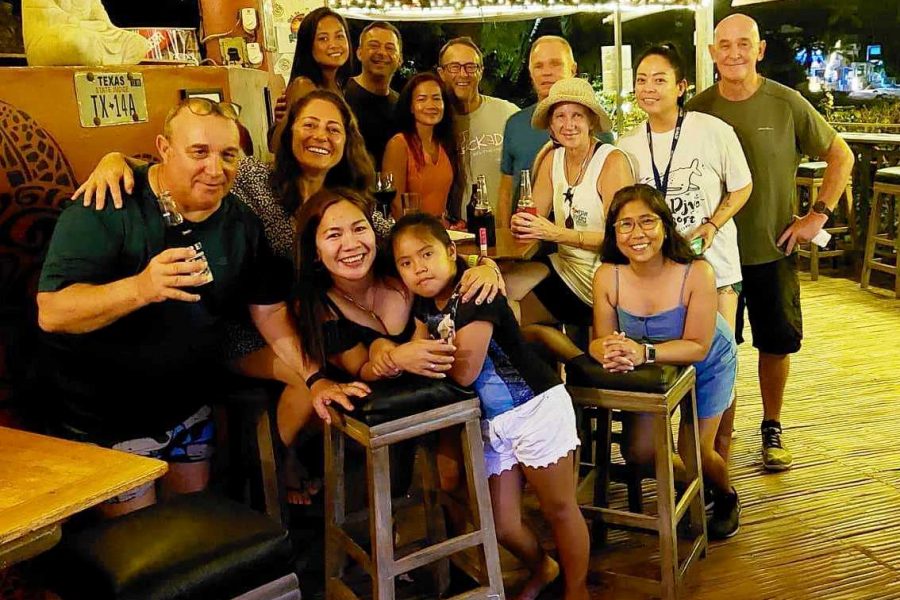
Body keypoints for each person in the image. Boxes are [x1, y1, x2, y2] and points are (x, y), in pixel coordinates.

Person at [71, 90, 380, 504]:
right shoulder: (255, 178)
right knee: (319, 365)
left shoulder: (349, 197)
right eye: (309, 124)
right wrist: (117, 159)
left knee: (354, 360)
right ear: (288, 132)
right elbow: (188, 162)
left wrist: (463, 265)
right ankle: (275, 472)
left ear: (347, 140)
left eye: (333, 128)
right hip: (238, 325)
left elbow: (397, 238)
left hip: (292, 318)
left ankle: (343, 476)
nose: (320, 136)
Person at [35, 98, 301, 518]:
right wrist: (141, 288)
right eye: (199, 152)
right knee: (144, 536)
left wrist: (313, 375)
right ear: (164, 148)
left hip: (187, 410)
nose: (215, 169)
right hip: (110, 419)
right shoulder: (107, 203)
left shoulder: (240, 223)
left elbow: (268, 311)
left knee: (190, 524)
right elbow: (52, 311)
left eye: (228, 155)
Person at [390, 212, 588, 600]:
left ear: (451, 252)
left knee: (559, 508)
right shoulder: (425, 304)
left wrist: (421, 358)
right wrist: (411, 356)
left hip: (535, 407)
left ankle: (577, 591)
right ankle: (544, 569)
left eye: (427, 254)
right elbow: (419, 352)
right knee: (502, 524)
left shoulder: (476, 292)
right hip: (491, 422)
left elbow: (464, 372)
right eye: (406, 263)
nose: (419, 268)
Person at [688, 14, 855, 471]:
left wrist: (817, 215)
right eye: (725, 45)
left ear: (759, 50)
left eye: (744, 43)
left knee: (776, 342)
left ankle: (772, 425)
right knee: (716, 349)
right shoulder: (698, 110)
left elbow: (840, 154)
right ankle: (717, 439)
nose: (734, 53)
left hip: (771, 249)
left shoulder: (786, 103)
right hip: (714, 258)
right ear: (712, 53)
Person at [617, 43, 752, 477]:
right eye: (641, 80)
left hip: (715, 270)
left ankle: (714, 466)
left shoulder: (713, 130)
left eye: (659, 80)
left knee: (716, 365)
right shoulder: (627, 145)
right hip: (658, 279)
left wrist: (712, 224)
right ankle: (691, 473)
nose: (649, 88)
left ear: (681, 86)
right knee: (676, 367)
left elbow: (742, 187)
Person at [590, 184, 740, 539]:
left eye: (647, 221)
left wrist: (643, 352)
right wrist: (607, 350)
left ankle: (724, 495)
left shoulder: (697, 272)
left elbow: (698, 347)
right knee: (639, 452)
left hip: (708, 362)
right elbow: (599, 339)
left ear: (665, 226)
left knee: (695, 452)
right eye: (625, 224)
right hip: (652, 367)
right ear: (613, 232)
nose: (637, 234)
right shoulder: (607, 275)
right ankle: (692, 485)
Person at [506, 77, 633, 328]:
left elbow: (622, 238)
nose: (569, 125)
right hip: (564, 264)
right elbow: (534, 218)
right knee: (497, 290)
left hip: (603, 276)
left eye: (577, 116)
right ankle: (550, 348)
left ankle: (560, 348)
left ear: (591, 121)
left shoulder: (611, 162)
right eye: (560, 117)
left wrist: (556, 234)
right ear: (551, 125)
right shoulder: (552, 158)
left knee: (509, 316)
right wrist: (522, 224)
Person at [437, 37, 518, 216]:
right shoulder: (435, 124)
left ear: (481, 71)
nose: (463, 74)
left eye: (470, 67)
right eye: (454, 67)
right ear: (441, 73)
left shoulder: (508, 114)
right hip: (456, 229)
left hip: (507, 226)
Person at [382, 72, 465, 224]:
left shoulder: (445, 143)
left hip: (443, 231)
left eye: (436, 98)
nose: (431, 105)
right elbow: (395, 205)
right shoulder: (399, 144)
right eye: (422, 99)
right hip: (411, 231)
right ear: (411, 107)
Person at [269, 7, 354, 151]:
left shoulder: (338, 85)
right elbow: (278, 145)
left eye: (339, 36)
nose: (334, 45)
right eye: (323, 38)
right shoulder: (304, 86)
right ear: (308, 45)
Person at [344, 21, 402, 167]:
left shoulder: (402, 105)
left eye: (390, 48)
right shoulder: (340, 95)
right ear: (359, 53)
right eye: (374, 46)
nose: (382, 53)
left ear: (399, 59)